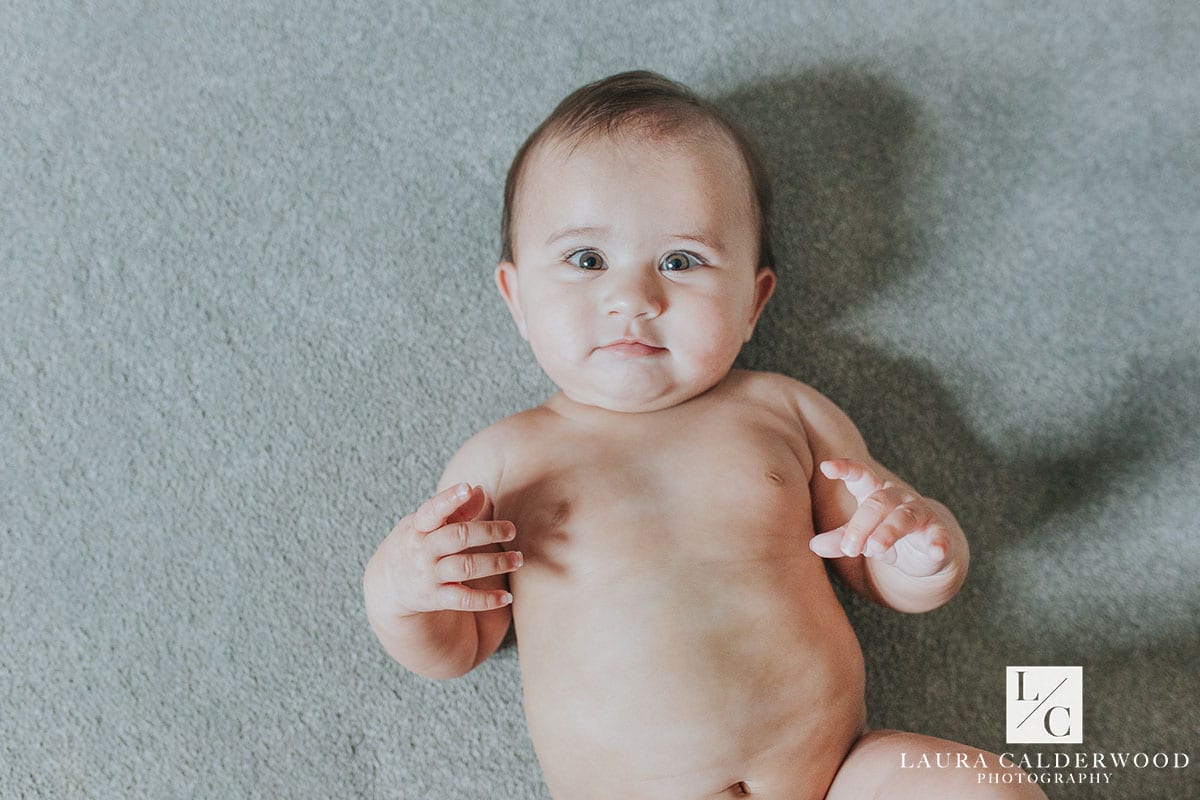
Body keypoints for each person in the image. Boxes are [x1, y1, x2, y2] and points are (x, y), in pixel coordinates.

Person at [363, 70, 1046, 800]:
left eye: (681, 261)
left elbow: (877, 564)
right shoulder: (502, 462)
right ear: (517, 296)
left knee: (980, 786)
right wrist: (401, 594)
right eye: (586, 260)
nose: (633, 299)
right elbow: (462, 645)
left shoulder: (785, 413)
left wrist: (922, 551)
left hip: (837, 775)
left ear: (753, 302)